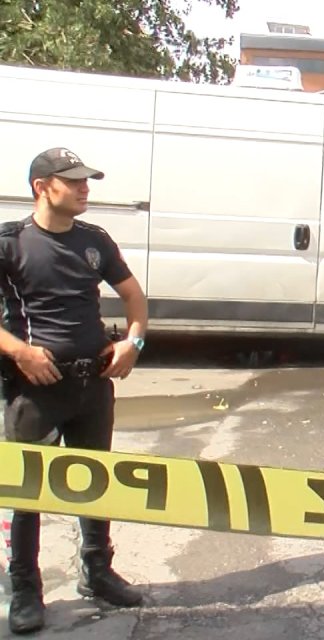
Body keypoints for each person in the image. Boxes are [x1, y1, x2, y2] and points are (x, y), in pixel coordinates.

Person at [1, 148, 150, 634]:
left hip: (93, 384)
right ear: (43, 186)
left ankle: (97, 570)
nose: (86, 188)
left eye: (88, 180)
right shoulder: (11, 243)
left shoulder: (94, 241)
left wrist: (133, 342)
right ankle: (24, 587)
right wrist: (21, 352)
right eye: (75, 181)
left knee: (95, 481)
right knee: (30, 492)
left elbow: (134, 298)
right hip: (35, 389)